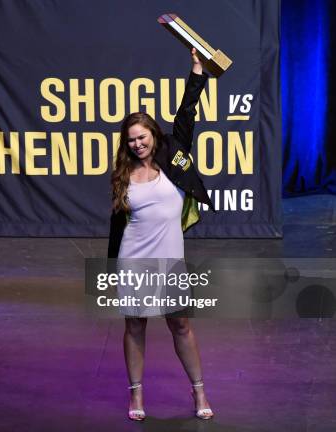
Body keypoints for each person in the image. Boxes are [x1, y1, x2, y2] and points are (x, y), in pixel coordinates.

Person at [107, 48, 215, 421]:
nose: (137, 144)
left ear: (153, 134)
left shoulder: (173, 153)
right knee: (135, 326)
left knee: (180, 324)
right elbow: (117, 227)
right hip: (134, 258)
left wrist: (197, 70)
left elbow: (186, 114)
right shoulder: (122, 176)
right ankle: (136, 395)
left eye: (142, 137)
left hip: (170, 260)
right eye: (131, 140)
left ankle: (199, 391)